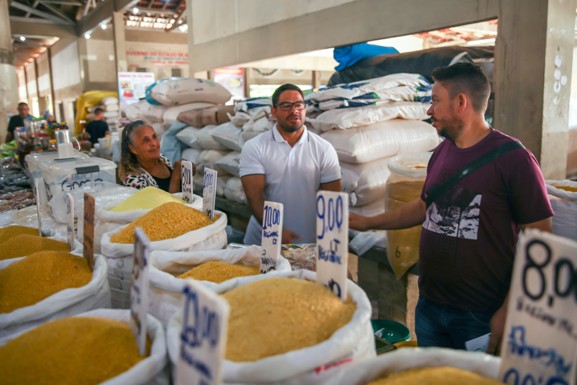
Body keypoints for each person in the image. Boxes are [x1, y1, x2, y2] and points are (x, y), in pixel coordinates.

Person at [349, 62, 553, 354]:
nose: (429, 110)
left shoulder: (514, 159)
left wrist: (511, 308)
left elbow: (541, 239)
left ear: (461, 102)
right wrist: (369, 222)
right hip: (430, 306)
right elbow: (424, 207)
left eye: (435, 101)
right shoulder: (442, 152)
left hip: (479, 314)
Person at [239, 83, 342, 245]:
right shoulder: (255, 147)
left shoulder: (323, 149)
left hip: (307, 243)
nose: (294, 111)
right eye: (286, 106)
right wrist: (276, 231)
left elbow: (332, 201)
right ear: (274, 112)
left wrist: (330, 248)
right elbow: (254, 197)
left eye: (299, 105)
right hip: (263, 243)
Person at [118, 120, 194, 193]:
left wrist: (187, 170)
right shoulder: (134, 181)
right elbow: (165, 206)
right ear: (133, 149)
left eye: (154, 137)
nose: (154, 143)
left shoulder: (162, 159)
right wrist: (175, 178)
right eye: (146, 140)